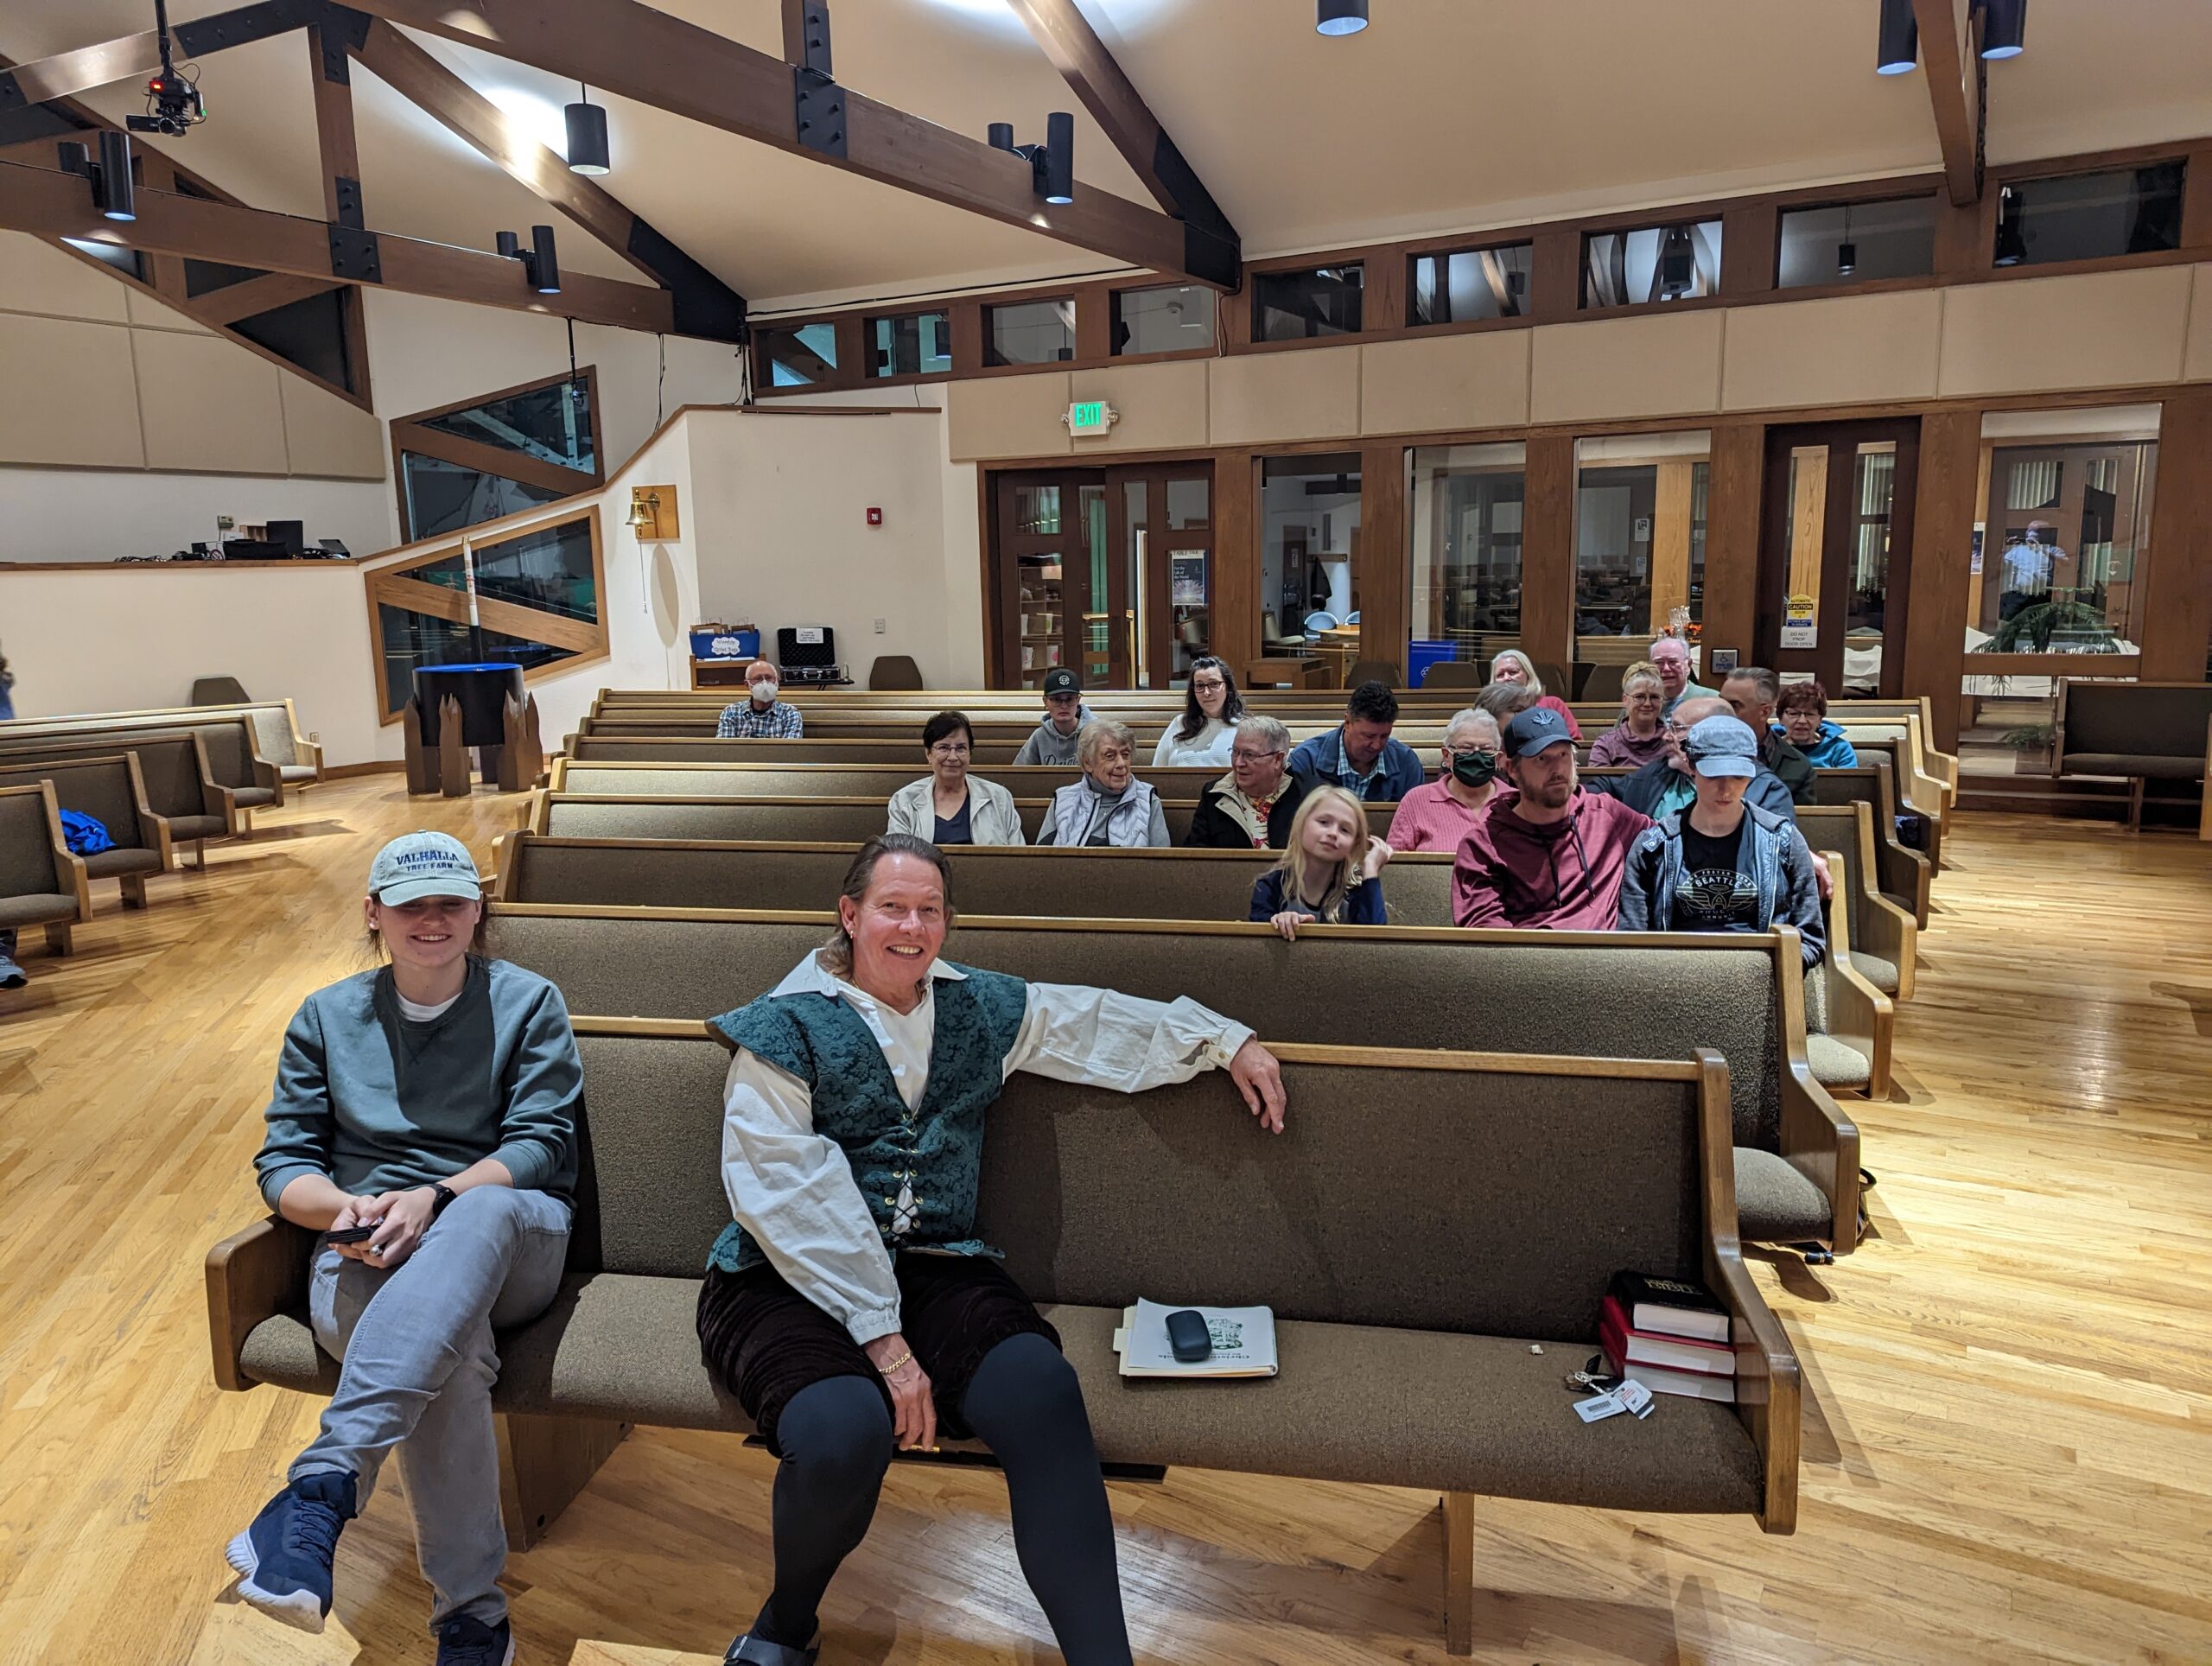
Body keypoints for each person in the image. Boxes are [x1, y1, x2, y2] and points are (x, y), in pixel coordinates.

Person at [698, 836, 1287, 1666]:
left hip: (935, 1263)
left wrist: (1225, 1039)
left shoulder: (978, 1005)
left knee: (1042, 1391)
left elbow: (1092, 1022)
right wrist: (889, 1347)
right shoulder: (783, 1026)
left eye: (930, 910)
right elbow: (785, 1194)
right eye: (892, 907)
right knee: (844, 1431)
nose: (912, 926)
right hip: (782, 1274)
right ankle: (786, 1626)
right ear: (850, 914)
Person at [225, 832, 581, 1665]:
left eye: (450, 902)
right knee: (449, 1362)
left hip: (510, 1236)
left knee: (479, 1217)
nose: (432, 920)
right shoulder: (326, 1014)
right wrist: (351, 1212)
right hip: (366, 1251)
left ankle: (325, 1479)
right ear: (372, 912)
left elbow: (540, 1146)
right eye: (410, 904)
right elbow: (283, 1165)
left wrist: (435, 1197)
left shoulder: (529, 1001)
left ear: (478, 909)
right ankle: (472, 1617)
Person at [1618, 715, 1827, 969]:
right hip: (1672, 977)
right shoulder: (1655, 845)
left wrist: (1759, 975)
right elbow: (1631, 940)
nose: (1726, 790)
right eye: (1713, 777)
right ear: (1691, 767)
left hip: (1760, 979)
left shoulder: (1783, 840)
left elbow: (1811, 939)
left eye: (1738, 777)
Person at [1452, 707, 1654, 930]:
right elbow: (1484, 933)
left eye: (1563, 754)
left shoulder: (1606, 815)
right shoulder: (1483, 846)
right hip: (1530, 959)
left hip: (1608, 958)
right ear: (1512, 769)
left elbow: (1669, 840)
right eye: (1541, 759)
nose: (1558, 769)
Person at [1586, 695, 1800, 824]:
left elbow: (1778, 848)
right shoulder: (1661, 773)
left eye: (1677, 728)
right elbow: (1611, 788)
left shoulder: (1765, 788)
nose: (1666, 736)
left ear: (1712, 733)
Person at [1250, 786, 1389, 938]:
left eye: (1345, 830)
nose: (1333, 833)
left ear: (1353, 844)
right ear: (1301, 824)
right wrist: (1277, 924)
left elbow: (1375, 949)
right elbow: (1259, 950)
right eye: (1323, 822)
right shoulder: (1271, 885)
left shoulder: (1356, 892)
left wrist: (1370, 870)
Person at [887, 711, 1024, 846]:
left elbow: (1017, 859)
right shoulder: (904, 801)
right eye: (943, 748)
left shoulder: (999, 797)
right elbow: (897, 859)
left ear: (970, 753)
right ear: (928, 753)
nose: (953, 757)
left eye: (961, 748)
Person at [1185, 715, 1312, 849]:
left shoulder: (1305, 794)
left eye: (1249, 755)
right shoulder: (1214, 794)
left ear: (1278, 760)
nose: (1238, 763)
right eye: (1235, 752)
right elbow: (1196, 856)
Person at [1035, 720, 1169, 847]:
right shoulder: (1062, 800)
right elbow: (1041, 860)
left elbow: (1162, 864)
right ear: (1088, 763)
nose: (1121, 764)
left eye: (1126, 755)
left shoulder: (1148, 800)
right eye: (1110, 756)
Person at [1286, 680, 1424, 803]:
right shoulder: (1305, 760)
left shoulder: (1407, 762)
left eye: (1384, 736)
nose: (1376, 745)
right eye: (1369, 736)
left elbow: (1419, 823)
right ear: (1347, 722)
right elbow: (1291, 827)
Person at [1386, 709, 1502, 853]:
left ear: (1497, 758)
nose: (1476, 755)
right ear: (1447, 756)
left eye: (1486, 749)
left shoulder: (1517, 801)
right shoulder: (1415, 801)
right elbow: (1394, 866)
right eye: (1466, 748)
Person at [1720, 666, 1816, 804]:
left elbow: (1799, 823)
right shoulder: (1697, 752)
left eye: (1734, 706)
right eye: (1721, 703)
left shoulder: (1798, 767)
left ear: (1765, 712)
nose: (1723, 711)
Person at [1150, 657, 1245, 767]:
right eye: (1200, 686)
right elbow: (1158, 770)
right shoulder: (1180, 723)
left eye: (1214, 684)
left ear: (1228, 687)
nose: (1206, 693)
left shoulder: (1243, 728)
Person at [1587, 661, 1671, 767]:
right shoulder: (1605, 746)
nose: (1647, 703)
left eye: (1654, 697)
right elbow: (1599, 783)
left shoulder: (1675, 744)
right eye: (1639, 697)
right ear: (1625, 700)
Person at [1487, 650, 1582, 741]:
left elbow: (1576, 741)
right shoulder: (1489, 710)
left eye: (1513, 672)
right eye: (1500, 675)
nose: (1506, 678)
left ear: (1528, 675)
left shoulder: (1553, 704)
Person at [1011, 668, 1095, 767]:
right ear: (1045, 701)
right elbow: (1019, 773)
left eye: (1070, 699)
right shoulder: (1039, 736)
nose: (1064, 706)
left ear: (1078, 700)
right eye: (1056, 699)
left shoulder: (1094, 733)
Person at [1998, 519, 2070, 622]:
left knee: (2040, 628)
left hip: (2042, 596)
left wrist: (2042, 549)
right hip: (2020, 594)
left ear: (2046, 533)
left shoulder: (2054, 550)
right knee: (2009, 624)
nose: (2032, 534)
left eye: (2037, 531)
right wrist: (2003, 545)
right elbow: (1999, 564)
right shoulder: (2018, 550)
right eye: (2030, 530)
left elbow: (2066, 565)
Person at [1776, 680, 1859, 767]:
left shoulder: (1839, 749)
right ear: (1780, 718)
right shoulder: (1767, 748)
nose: (1802, 721)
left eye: (1810, 714)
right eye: (1794, 714)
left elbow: (1849, 781)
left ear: (1820, 719)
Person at [718, 659, 804, 739]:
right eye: (758, 679)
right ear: (747, 684)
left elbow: (791, 751)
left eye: (768, 678)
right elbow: (725, 750)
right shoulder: (731, 712)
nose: (764, 683)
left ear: (777, 681)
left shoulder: (790, 713)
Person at [1649, 635, 1716, 715]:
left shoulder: (1712, 701)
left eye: (1673, 662)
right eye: (1658, 662)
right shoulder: (1638, 703)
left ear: (1689, 665)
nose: (1666, 668)